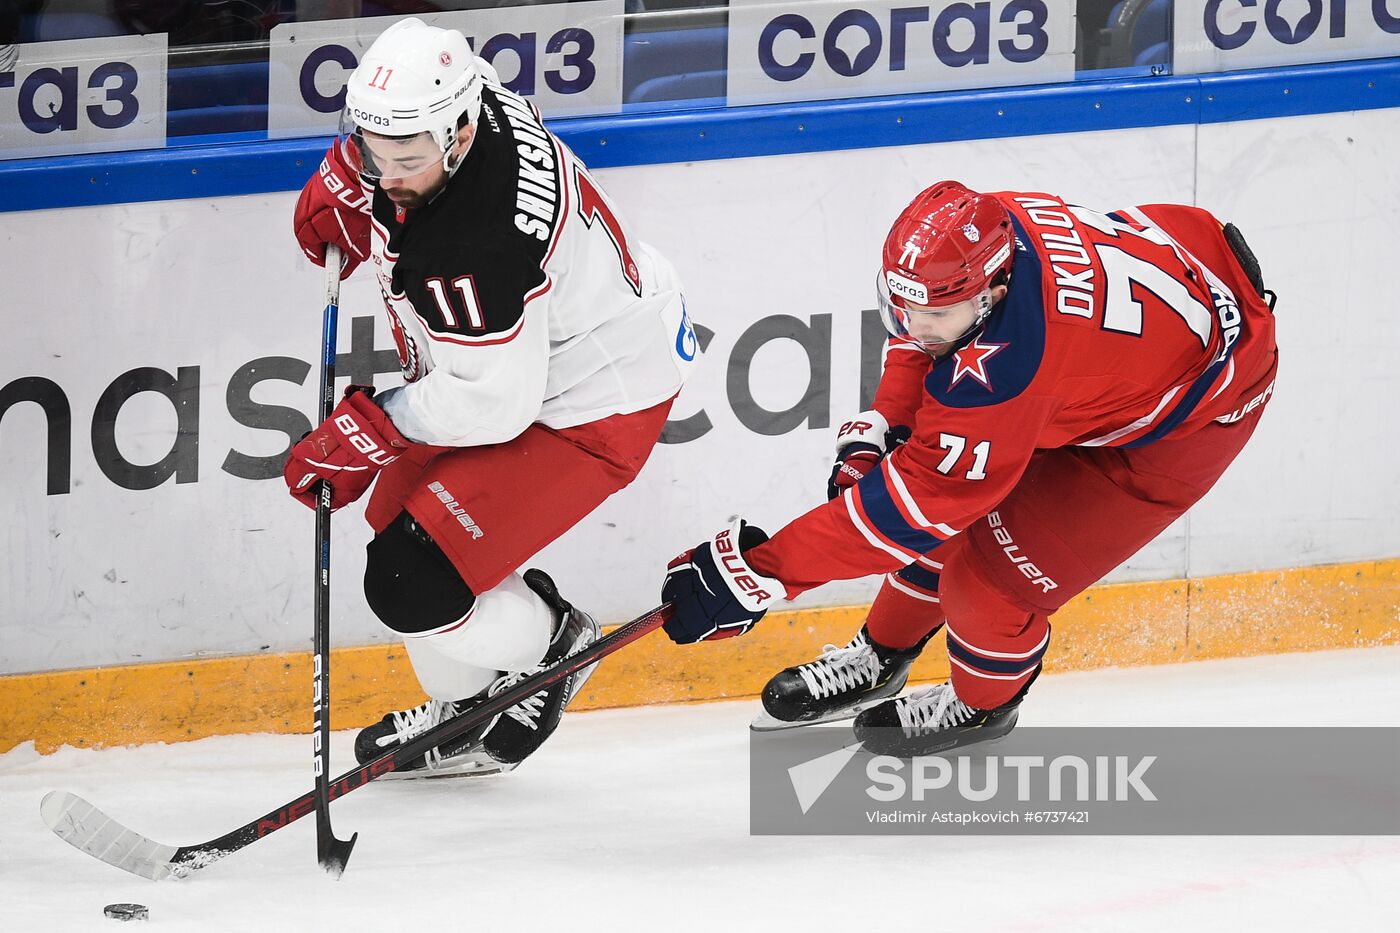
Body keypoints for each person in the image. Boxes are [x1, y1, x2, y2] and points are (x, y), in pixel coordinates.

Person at [660, 180, 1278, 756]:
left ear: (994, 296)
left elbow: (906, 514)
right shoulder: (983, 237)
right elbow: (924, 337)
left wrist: (757, 575)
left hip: (1186, 424)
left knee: (985, 583)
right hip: (1135, 340)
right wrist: (886, 422)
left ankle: (984, 705)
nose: (915, 328)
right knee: (948, 502)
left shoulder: (1012, 371)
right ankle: (881, 655)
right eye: (905, 309)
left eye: (934, 317)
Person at [287, 18, 698, 775]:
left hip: (593, 401)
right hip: (552, 350)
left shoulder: (476, 242)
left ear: (459, 131)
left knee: (413, 582)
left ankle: (554, 644)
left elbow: (495, 405)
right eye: (372, 147)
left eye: (403, 159)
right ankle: (466, 712)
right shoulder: (467, 98)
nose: (387, 172)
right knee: (394, 524)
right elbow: (388, 146)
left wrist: (375, 427)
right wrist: (356, 178)